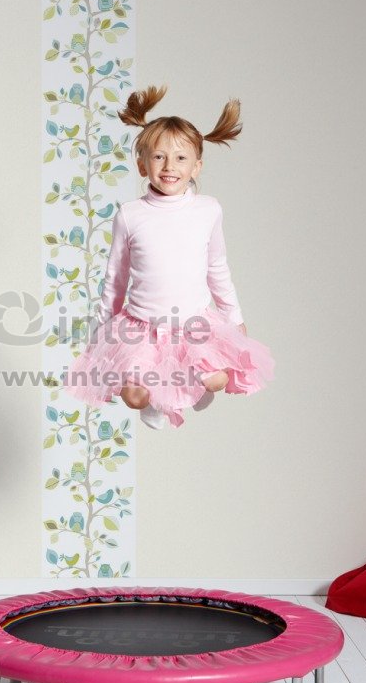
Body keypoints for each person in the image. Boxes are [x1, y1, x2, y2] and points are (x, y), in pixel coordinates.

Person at [63, 85, 274, 429]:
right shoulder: (130, 215)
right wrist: (102, 328)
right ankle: (155, 403)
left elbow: (218, 268)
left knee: (218, 379)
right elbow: (116, 279)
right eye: (159, 157)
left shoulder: (208, 210)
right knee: (134, 396)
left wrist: (234, 317)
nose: (169, 166)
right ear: (142, 165)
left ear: (197, 167)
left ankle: (191, 390)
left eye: (180, 158)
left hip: (194, 324)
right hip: (142, 328)